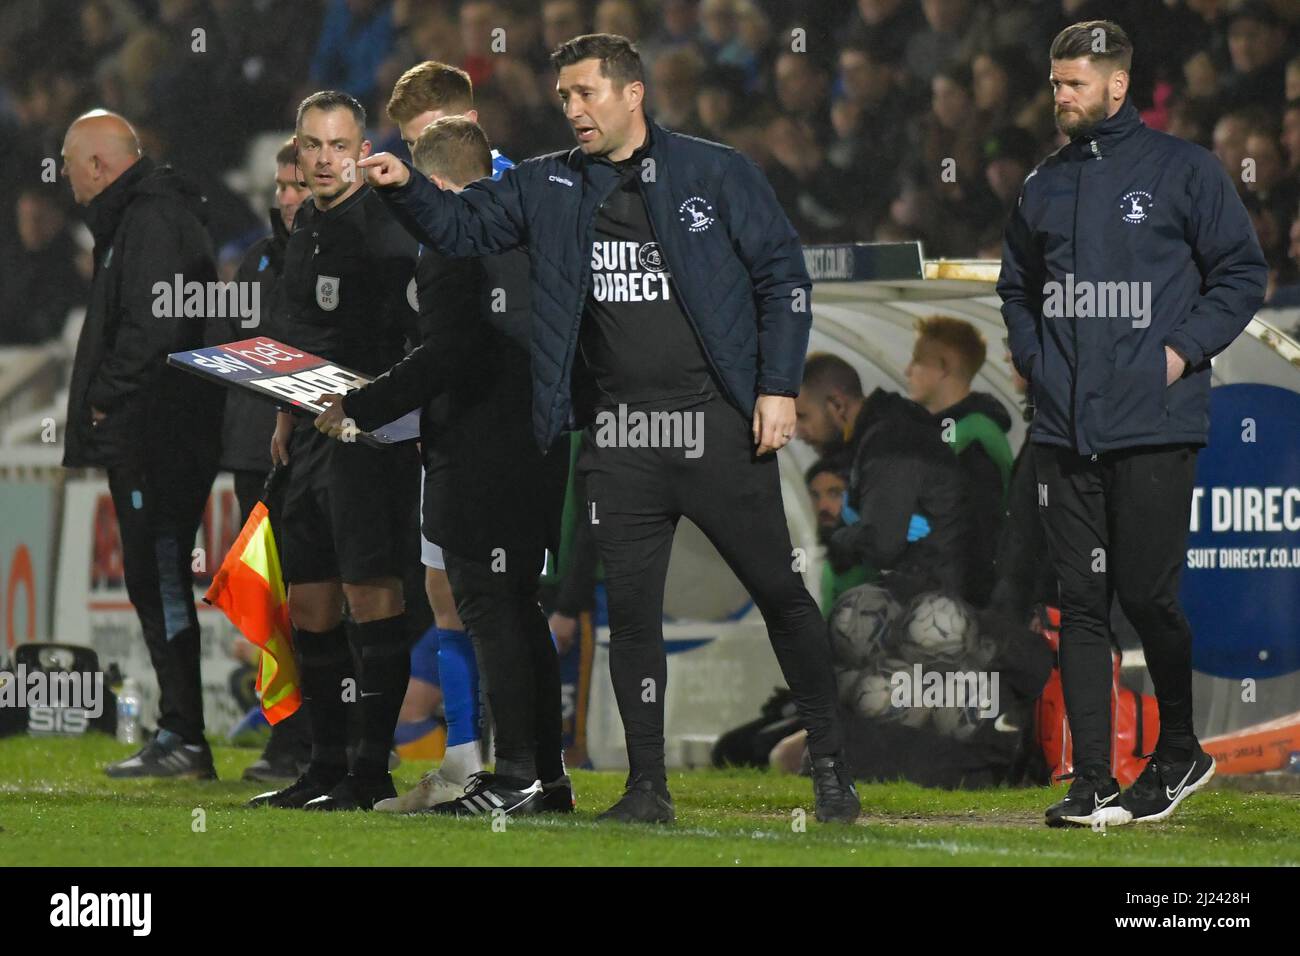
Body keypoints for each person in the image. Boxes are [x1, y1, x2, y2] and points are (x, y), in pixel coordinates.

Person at [359, 33, 859, 824]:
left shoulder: (715, 171)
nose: (573, 109)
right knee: (629, 617)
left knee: (780, 594)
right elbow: (460, 228)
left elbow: (783, 278)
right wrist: (400, 187)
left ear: (633, 93)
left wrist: (776, 389)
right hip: (619, 438)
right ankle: (646, 787)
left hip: (716, 427)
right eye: (563, 96)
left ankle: (832, 767)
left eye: (586, 92)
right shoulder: (548, 183)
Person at [999, 20, 1267, 828]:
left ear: (1117, 86)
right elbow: (1017, 285)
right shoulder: (1042, 181)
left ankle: (1180, 748)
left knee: (1148, 598)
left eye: (1074, 83)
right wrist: (1034, 358)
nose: (1060, 97)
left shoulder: (1184, 170)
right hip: (1063, 429)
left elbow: (1243, 271)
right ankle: (1092, 781)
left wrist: (1181, 352)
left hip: (1154, 424)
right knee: (1079, 604)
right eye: (1054, 83)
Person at [317, 115, 572, 817]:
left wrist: (363, 405)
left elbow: (448, 355)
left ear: (430, 182)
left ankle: (516, 776)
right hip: (537, 451)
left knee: (492, 612)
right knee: (520, 609)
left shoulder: (455, 239)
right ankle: (545, 779)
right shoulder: (527, 228)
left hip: (481, 457)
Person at [248, 91, 420, 812]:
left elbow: (410, 342)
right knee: (310, 601)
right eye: (311, 146)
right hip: (308, 439)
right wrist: (285, 414)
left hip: (364, 439)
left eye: (337, 145)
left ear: (362, 149)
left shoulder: (386, 228)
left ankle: (371, 771)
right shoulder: (305, 226)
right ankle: (321, 766)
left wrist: (366, 407)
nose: (323, 158)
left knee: (370, 591)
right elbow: (294, 333)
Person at [60, 110, 223, 778]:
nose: (68, 181)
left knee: (158, 580)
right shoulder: (147, 216)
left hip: (157, 434)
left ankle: (184, 734)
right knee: (156, 579)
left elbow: (157, 331)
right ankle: (179, 731)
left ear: (98, 165)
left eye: (71, 167)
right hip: (160, 431)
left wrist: (104, 395)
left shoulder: (149, 220)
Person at [221, 139, 314, 784]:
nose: (284, 196)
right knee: (268, 598)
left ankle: (337, 737)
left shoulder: (340, 254)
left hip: (317, 452)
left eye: (296, 185)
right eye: (279, 185)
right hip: (254, 455)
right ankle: (286, 737)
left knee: (319, 597)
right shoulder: (254, 262)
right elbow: (226, 350)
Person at [796, 353, 967, 604]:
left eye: (803, 417)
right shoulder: (879, 434)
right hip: (930, 596)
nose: (799, 433)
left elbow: (882, 545)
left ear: (837, 405)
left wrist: (842, 536)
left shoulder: (889, 445)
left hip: (935, 609)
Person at [905, 315, 1013, 607]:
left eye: (916, 361)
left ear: (943, 368)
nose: (906, 371)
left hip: (962, 605)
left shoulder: (974, 438)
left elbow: (980, 534)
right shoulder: (951, 431)